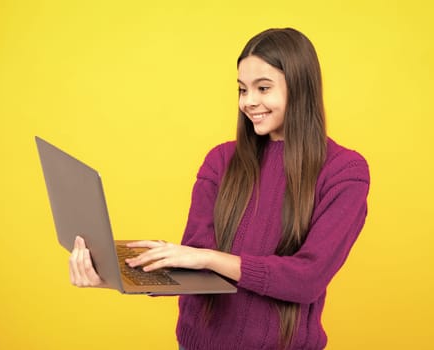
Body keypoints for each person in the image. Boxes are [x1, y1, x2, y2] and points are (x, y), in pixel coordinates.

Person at [69, 27, 370, 350]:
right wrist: (115, 278)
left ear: (301, 88)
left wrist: (210, 259)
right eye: (242, 89)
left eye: (263, 88)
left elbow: (307, 278)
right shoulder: (221, 160)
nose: (249, 102)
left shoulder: (343, 172)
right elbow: (194, 265)